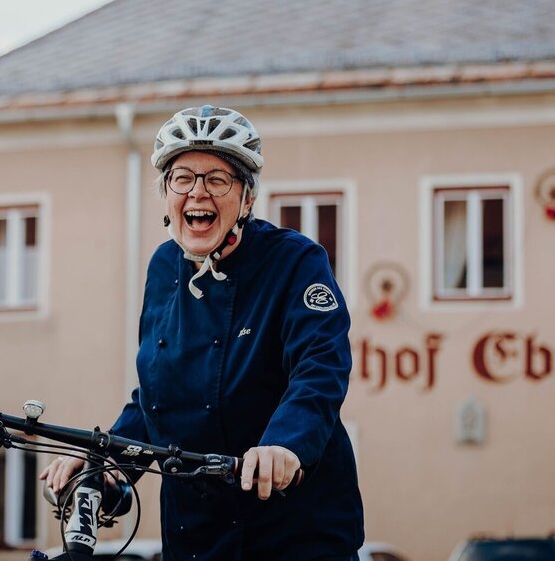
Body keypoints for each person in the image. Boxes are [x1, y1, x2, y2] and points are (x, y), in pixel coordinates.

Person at [41, 105, 364, 561]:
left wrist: (284, 446)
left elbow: (319, 366)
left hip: (294, 531)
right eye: (183, 178)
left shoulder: (294, 261)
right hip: (196, 535)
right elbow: (157, 395)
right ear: (167, 195)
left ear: (246, 199)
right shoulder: (161, 269)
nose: (199, 193)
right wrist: (108, 461)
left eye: (218, 179)